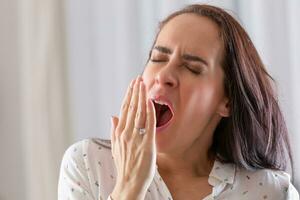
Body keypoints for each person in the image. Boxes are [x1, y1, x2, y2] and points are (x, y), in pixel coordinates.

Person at [58, 4, 299, 200]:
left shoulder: (270, 192)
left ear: (227, 101)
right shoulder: (88, 164)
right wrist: (129, 189)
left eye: (192, 68)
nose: (163, 76)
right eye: (158, 58)